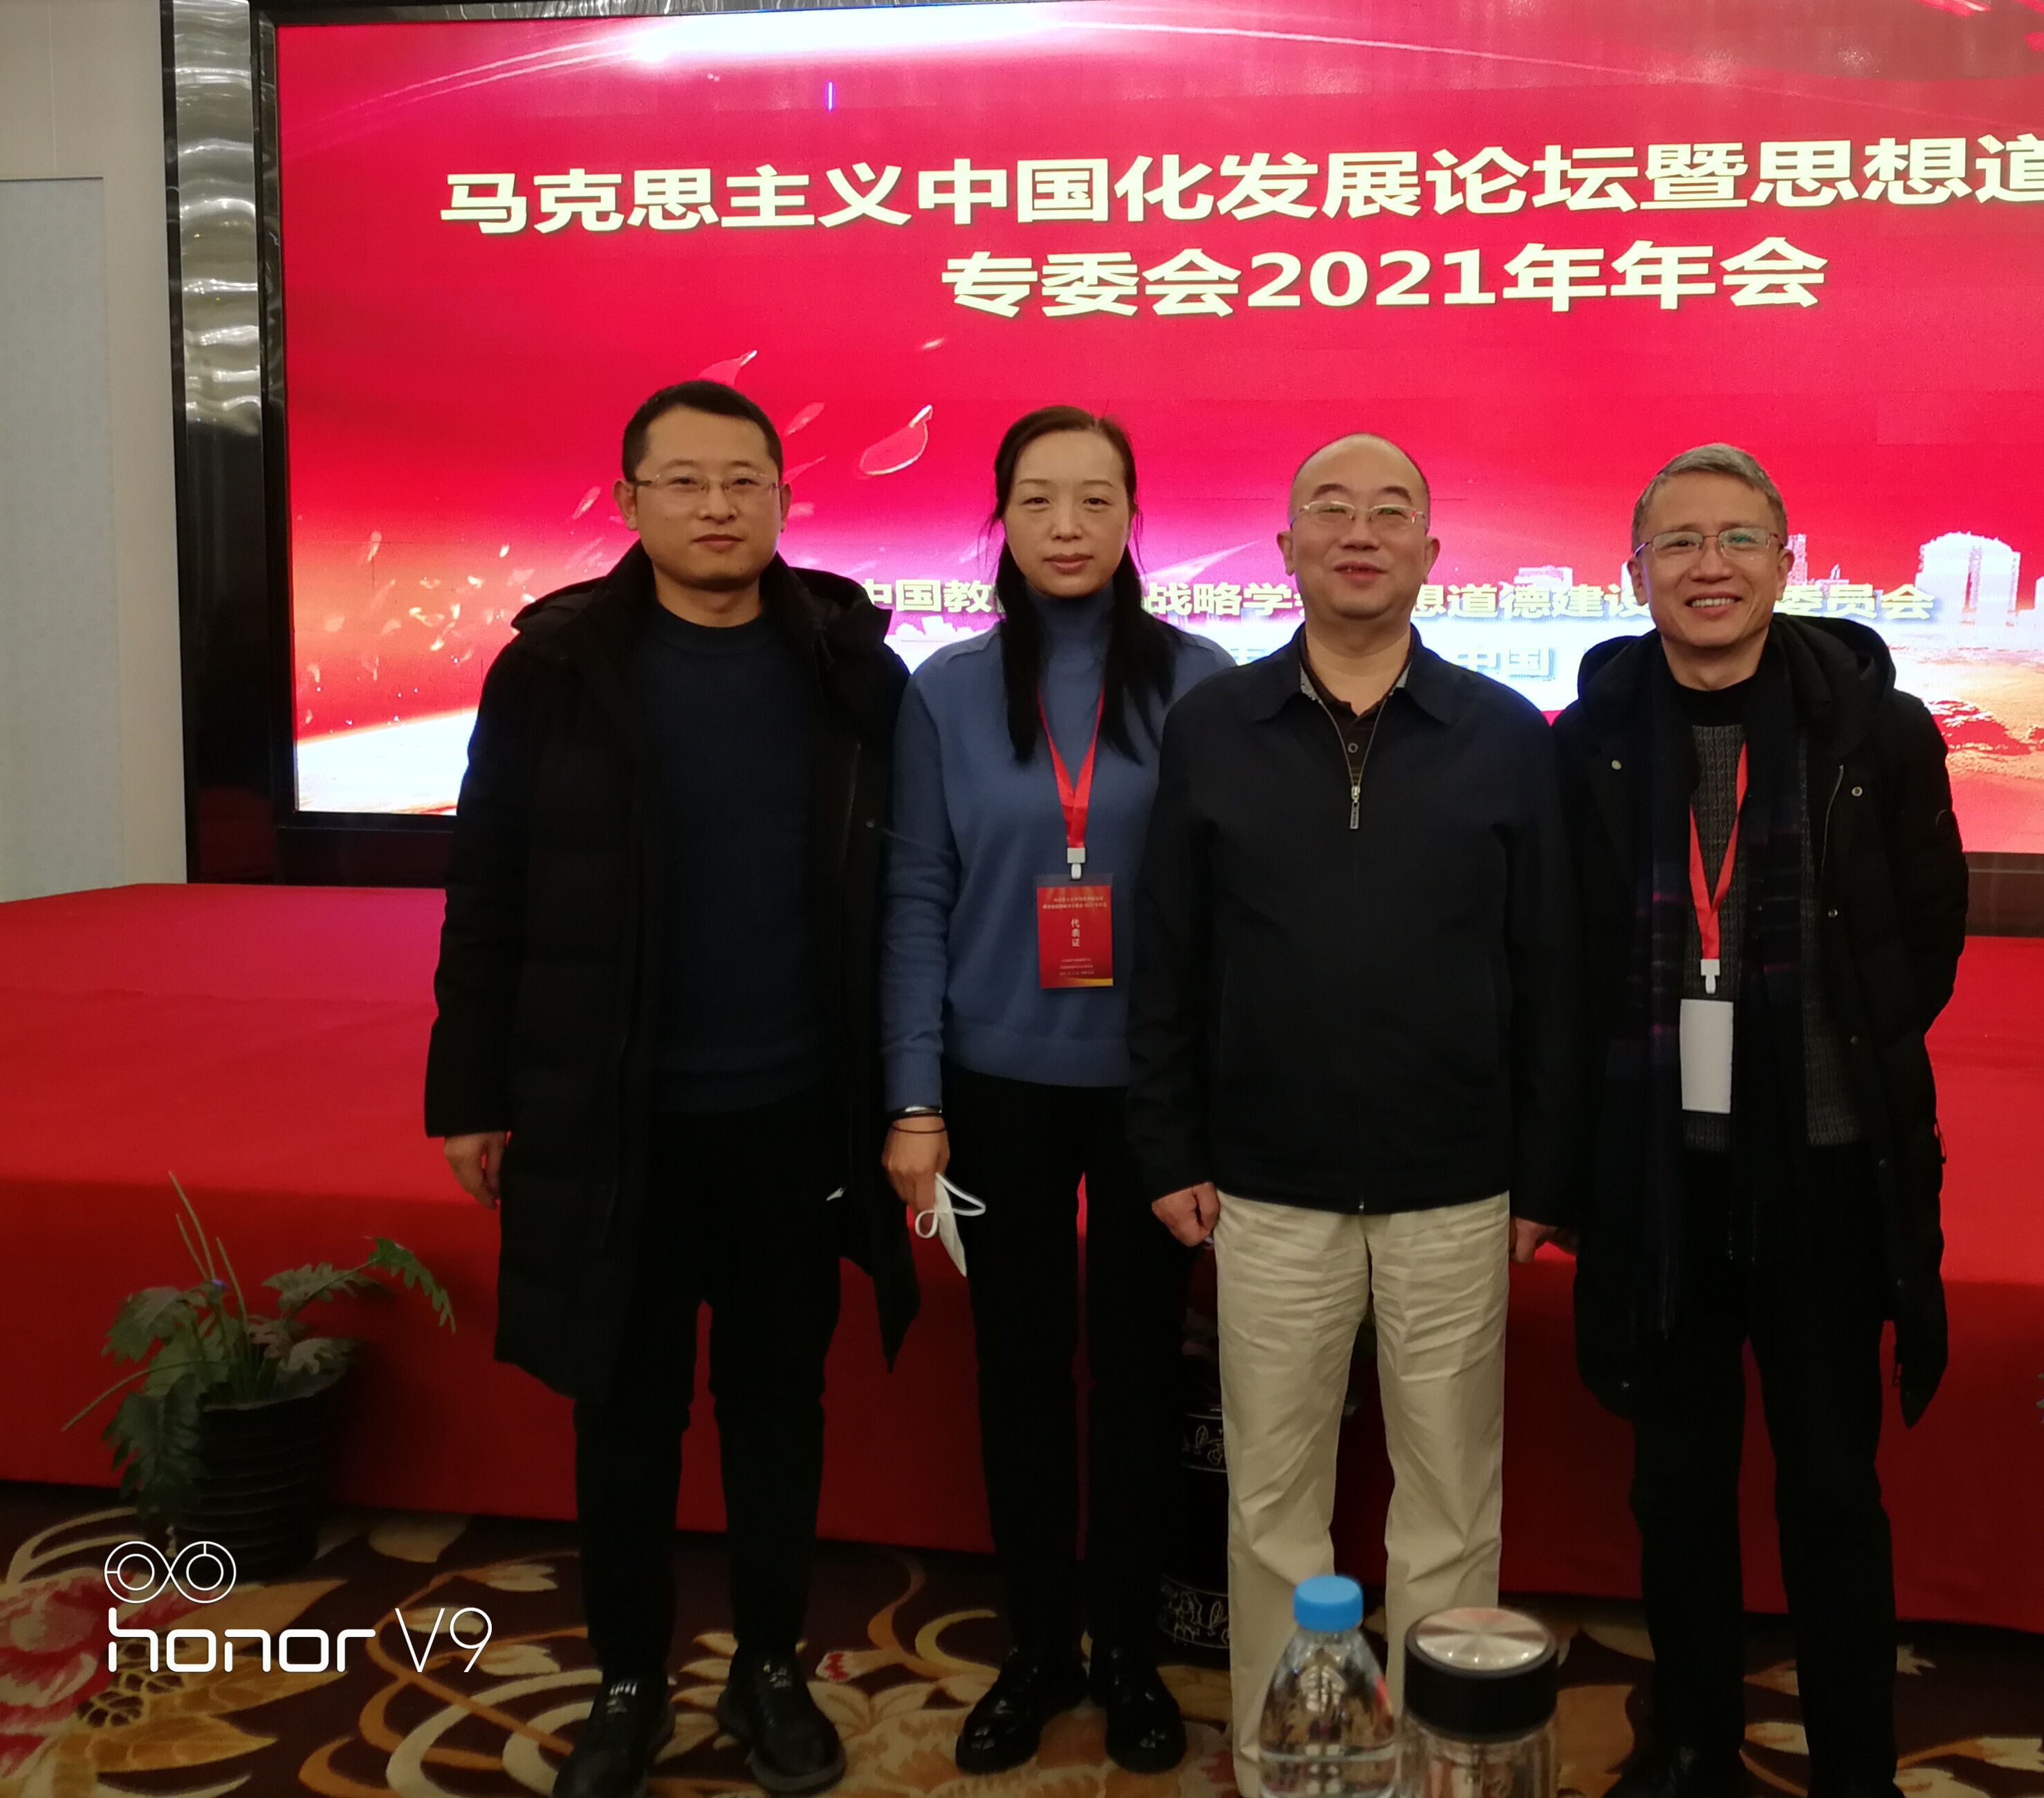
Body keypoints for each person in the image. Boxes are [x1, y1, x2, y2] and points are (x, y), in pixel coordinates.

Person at [425, 378, 919, 1798]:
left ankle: (771, 1668)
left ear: (783, 498)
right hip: (614, 1116)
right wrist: (471, 1089)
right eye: (686, 481)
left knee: (777, 1407)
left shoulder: (849, 666)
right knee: (624, 1413)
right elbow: (489, 883)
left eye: (745, 480)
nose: (718, 506)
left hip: (793, 1115)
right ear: (629, 499)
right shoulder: (555, 668)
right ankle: (627, 1681)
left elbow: (903, 890)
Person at [1126, 432, 1581, 1786]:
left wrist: (1545, 1174)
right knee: (1273, 1505)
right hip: (1266, 1182)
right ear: (1286, 550)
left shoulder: (1504, 734)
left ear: (1433, 553)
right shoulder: (1215, 728)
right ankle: (1294, 1761)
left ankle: (1445, 1756)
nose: (1360, 532)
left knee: (1449, 1502)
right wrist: (1167, 1144)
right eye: (1331, 509)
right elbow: (1168, 956)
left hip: (1456, 1181)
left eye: (1391, 512)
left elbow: (1549, 970)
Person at [1552, 444, 1967, 1798]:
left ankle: (1855, 1765)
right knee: (1674, 1484)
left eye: (1737, 539)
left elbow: (1925, 937)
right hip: (1659, 1175)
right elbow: (1565, 955)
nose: (1709, 566)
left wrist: (1822, 1065)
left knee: (1831, 1484)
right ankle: (1692, 1743)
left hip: (1824, 1169)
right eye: (1678, 542)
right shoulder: (1592, 741)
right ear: (1637, 575)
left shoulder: (1875, 734)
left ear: (1787, 565)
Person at [878, 406, 1232, 1774]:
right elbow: (917, 896)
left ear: (1134, 517)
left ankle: (1129, 1651)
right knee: (1018, 1373)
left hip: (1149, 1095)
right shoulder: (946, 689)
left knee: (1138, 1376)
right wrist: (915, 1101)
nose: (1068, 527)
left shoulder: (1198, 680)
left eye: (1095, 500)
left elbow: (1223, 908)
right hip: (996, 1086)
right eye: (1038, 501)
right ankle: (1037, 1648)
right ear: (1002, 521)